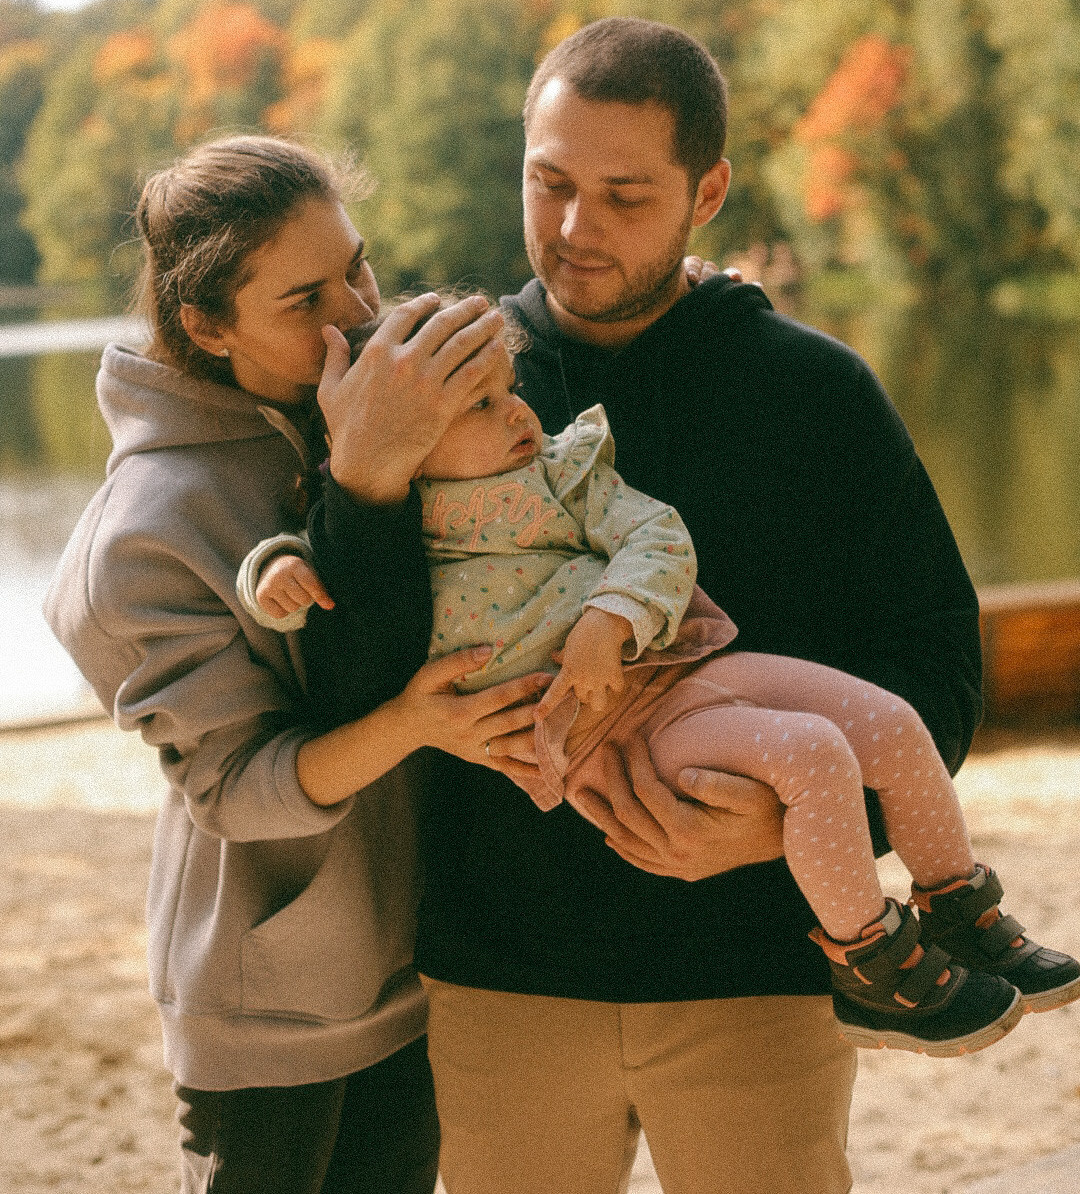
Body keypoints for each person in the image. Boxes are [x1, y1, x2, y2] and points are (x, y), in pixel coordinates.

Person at [294, 18, 1001, 1194]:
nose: (576, 229)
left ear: (708, 189)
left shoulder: (817, 395)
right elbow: (347, 684)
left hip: (759, 973)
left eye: (625, 194)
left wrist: (804, 831)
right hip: (501, 976)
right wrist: (362, 484)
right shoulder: (430, 390)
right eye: (551, 183)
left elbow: (932, 668)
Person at [242, 339, 1078, 1060]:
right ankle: (870, 966)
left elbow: (657, 534)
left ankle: (955, 906)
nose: (517, 412)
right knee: (815, 755)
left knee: (892, 724)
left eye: (511, 388)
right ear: (408, 441)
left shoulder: (564, 471)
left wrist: (612, 615)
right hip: (621, 735)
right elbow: (325, 569)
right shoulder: (391, 525)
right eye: (482, 406)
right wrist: (274, 572)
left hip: (689, 659)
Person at [42, 134, 552, 1194]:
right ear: (205, 325)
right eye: (304, 296)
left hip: (416, 956)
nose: (358, 312)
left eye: (359, 265)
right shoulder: (146, 534)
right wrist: (416, 721)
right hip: (267, 995)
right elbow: (235, 791)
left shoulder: (358, 404)